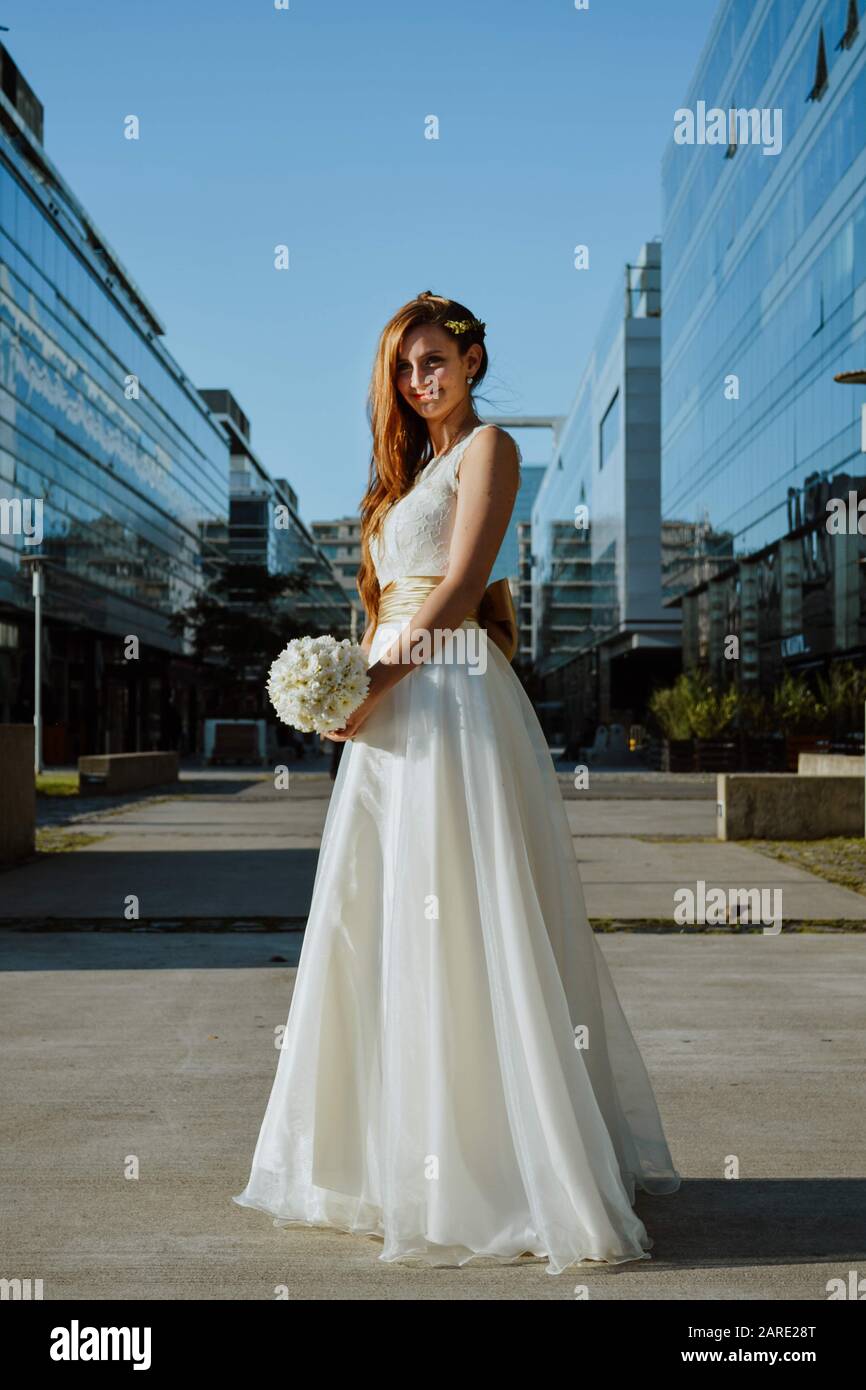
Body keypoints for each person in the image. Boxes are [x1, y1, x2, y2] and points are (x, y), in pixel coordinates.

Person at [232, 291, 681, 1274]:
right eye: (403, 368)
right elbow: (388, 598)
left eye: (432, 360)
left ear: (472, 359)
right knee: (378, 918)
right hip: (391, 708)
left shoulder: (490, 452)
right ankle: (383, 1163)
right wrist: (344, 690)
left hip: (453, 698)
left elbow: (458, 585)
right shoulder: (413, 470)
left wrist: (370, 681)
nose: (418, 380)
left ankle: (496, 1164)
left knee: (470, 923)